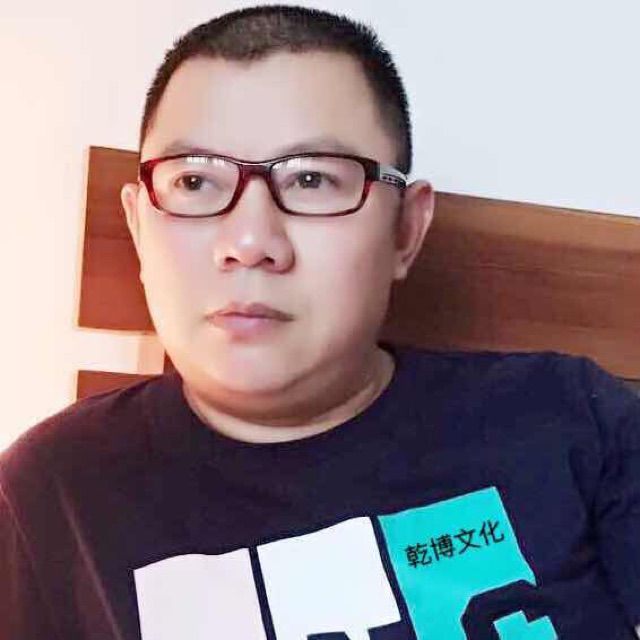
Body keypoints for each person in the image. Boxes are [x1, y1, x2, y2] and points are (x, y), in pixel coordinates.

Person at [1, 4, 639, 639]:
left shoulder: (571, 418)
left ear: (406, 230)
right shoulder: (51, 495)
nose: (250, 242)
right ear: (139, 227)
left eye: (311, 180)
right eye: (194, 182)